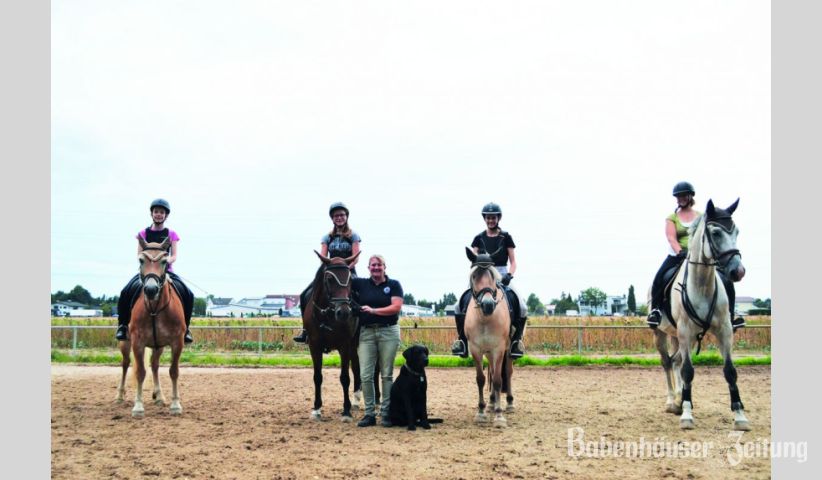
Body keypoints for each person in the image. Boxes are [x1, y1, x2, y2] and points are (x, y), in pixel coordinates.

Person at [646, 182, 745, 331]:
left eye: (684, 195)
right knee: (660, 277)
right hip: (677, 255)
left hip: (700, 256)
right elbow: (671, 238)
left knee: (726, 280)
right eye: (678, 196)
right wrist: (680, 251)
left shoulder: (701, 216)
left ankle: (731, 314)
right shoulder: (672, 218)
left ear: (690, 196)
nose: (681, 198)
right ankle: (656, 311)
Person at [450, 202, 528, 359]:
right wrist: (476, 276)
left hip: (500, 272)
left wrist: (509, 275)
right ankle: (462, 341)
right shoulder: (478, 238)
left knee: (522, 306)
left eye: (493, 217)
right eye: (488, 217)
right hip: (481, 274)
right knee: (459, 306)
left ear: (498, 218)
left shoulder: (506, 237)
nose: (491, 220)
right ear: (484, 219)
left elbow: (513, 262)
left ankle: (516, 342)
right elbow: (474, 260)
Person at [115, 198, 195, 343]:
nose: (159, 214)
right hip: (147, 272)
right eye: (156, 211)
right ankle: (122, 326)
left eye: (162, 212)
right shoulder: (142, 234)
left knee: (189, 294)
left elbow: (174, 256)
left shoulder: (172, 234)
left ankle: (186, 329)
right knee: (125, 292)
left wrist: (163, 262)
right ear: (151, 214)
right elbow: (139, 254)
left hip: (166, 271)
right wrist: (150, 263)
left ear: (166, 215)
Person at [293, 202, 361, 343]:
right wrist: (330, 269)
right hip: (331, 271)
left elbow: (356, 258)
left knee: (361, 293)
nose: (339, 218)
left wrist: (345, 268)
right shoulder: (327, 237)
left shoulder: (354, 235)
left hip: (348, 271)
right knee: (305, 294)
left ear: (346, 216)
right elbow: (324, 257)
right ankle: (305, 330)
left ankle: (361, 327)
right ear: (332, 218)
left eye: (342, 215)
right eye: (336, 215)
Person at [352, 254, 404, 428]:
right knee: (365, 375)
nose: (376, 268)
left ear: (384, 267)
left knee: (386, 373)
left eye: (379, 265)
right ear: (368, 268)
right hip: (366, 333)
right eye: (373, 265)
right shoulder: (360, 284)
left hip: (388, 332)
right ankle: (369, 414)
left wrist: (373, 311)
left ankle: (386, 413)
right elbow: (343, 281)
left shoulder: (394, 285)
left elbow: (396, 307)